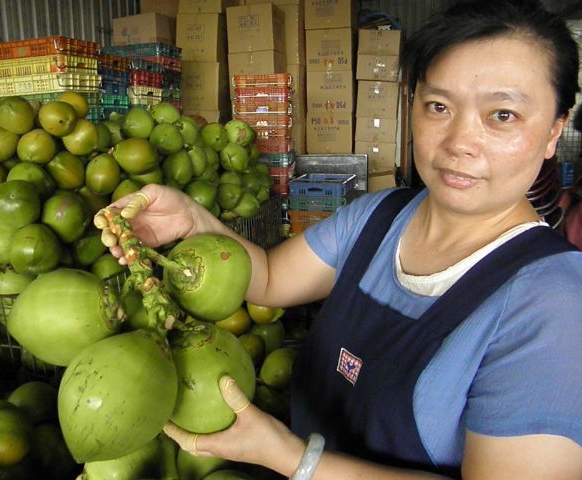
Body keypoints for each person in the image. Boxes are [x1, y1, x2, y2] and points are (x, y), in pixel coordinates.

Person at [100, 0, 582, 477]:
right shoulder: (380, 215)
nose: (460, 142)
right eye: (439, 106)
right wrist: (192, 219)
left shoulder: (553, 305)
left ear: (553, 132)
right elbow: (268, 280)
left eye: (502, 116)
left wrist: (293, 460)